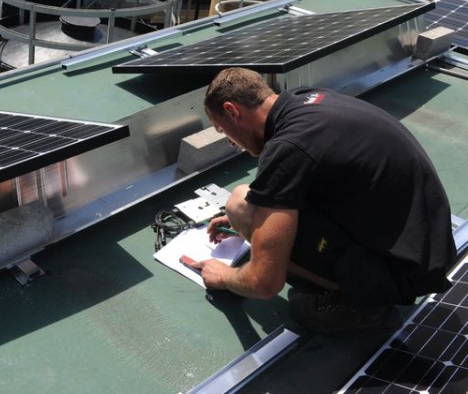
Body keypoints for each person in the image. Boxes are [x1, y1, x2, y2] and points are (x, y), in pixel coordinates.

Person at [192, 67, 456, 334]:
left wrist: (225, 277)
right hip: (423, 249)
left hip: (400, 273)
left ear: (232, 111)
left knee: (240, 203)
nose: (231, 142)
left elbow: (265, 283)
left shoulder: (288, 146)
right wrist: (257, 218)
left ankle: (361, 307)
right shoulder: (308, 99)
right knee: (249, 207)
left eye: (223, 130)